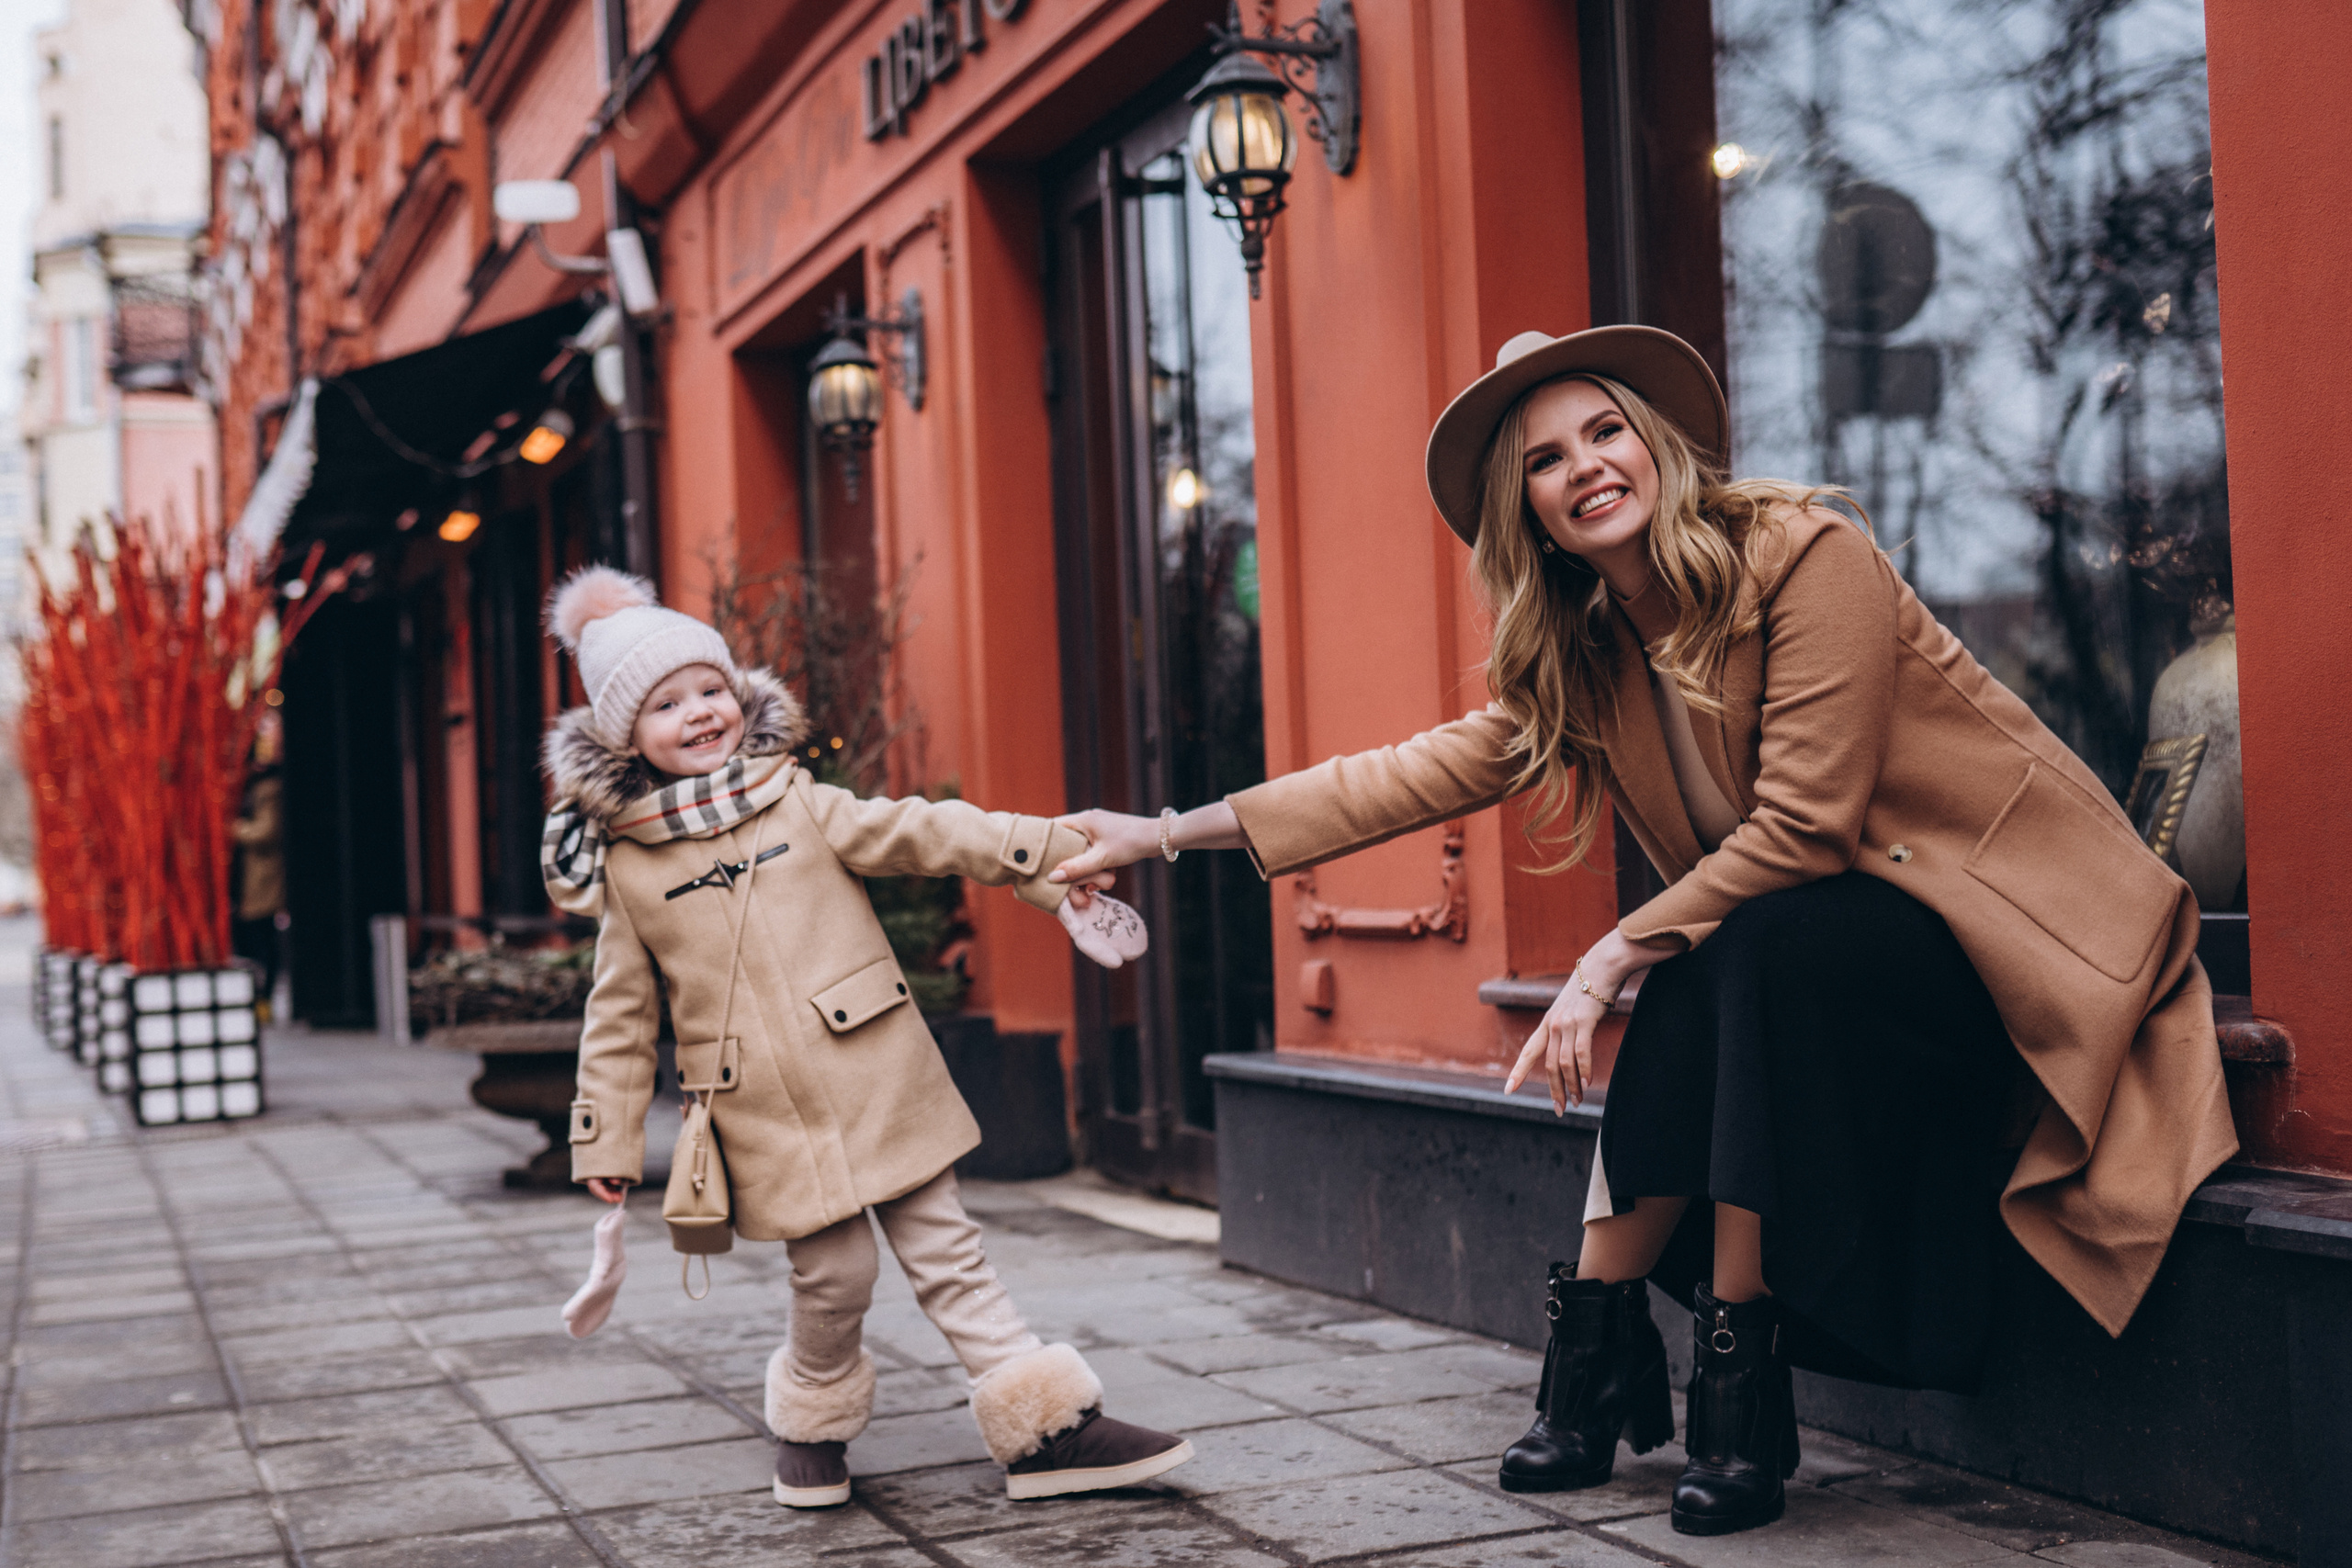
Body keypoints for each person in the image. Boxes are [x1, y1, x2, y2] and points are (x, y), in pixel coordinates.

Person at [1048, 326, 2236, 1538]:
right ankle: (1613, 1352)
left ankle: (1719, 1388)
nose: (1587, 467)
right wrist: (1156, 834)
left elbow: (1808, 829)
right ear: (1531, 514)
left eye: (1605, 431)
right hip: (1816, 962)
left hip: (2010, 932)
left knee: (1737, 945)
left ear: (1654, 442)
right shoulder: (1594, 644)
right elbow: (1409, 774)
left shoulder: (1802, 552)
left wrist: (1613, 949)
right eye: (1547, 460)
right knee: (1730, 954)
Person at [540, 567, 1193, 1510]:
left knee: (949, 1253)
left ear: (739, 693)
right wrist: (603, 1137)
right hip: (762, 1112)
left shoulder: (799, 801)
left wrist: (1048, 853)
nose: (699, 713)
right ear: (623, 736)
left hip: (876, 1071)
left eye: (710, 688)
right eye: (666, 703)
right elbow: (618, 1017)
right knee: (834, 1277)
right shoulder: (631, 874)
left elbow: (924, 832)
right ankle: (810, 1418)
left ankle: (1051, 1432)